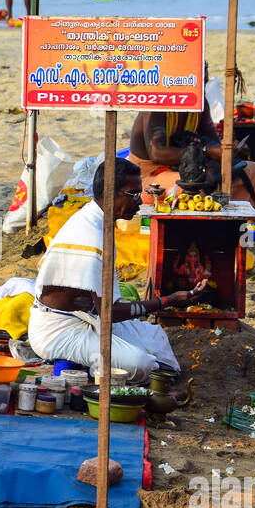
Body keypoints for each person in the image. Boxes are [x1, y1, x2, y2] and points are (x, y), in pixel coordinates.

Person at [27, 158, 203, 382]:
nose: (139, 202)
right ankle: (88, 370)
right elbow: (111, 314)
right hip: (58, 331)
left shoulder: (98, 221)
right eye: (133, 194)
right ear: (111, 193)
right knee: (143, 364)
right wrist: (167, 301)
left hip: (88, 317)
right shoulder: (91, 236)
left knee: (155, 339)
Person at [127, 66, 255, 208]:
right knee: (194, 184)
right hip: (151, 176)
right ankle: (201, 229)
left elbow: (213, 143)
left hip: (189, 169)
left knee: (252, 170)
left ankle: (239, 226)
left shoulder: (200, 102)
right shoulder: (158, 102)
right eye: (198, 80)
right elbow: (157, 153)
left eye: (204, 80)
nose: (202, 85)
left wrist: (231, 150)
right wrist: (205, 151)